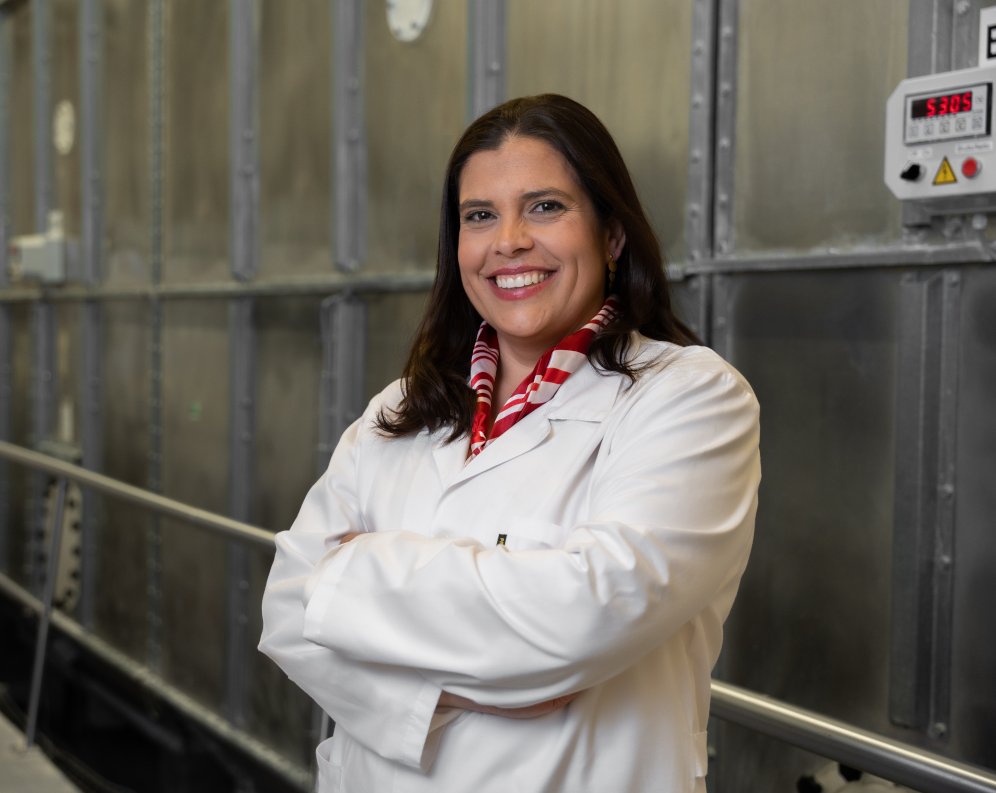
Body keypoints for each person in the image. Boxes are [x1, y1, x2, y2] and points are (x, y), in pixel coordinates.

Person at [259, 94, 760, 793]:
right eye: (480, 215)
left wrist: (350, 572)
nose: (510, 241)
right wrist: (445, 695)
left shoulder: (691, 397)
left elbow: (586, 613)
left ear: (612, 233)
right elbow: (286, 608)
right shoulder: (404, 407)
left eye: (546, 206)